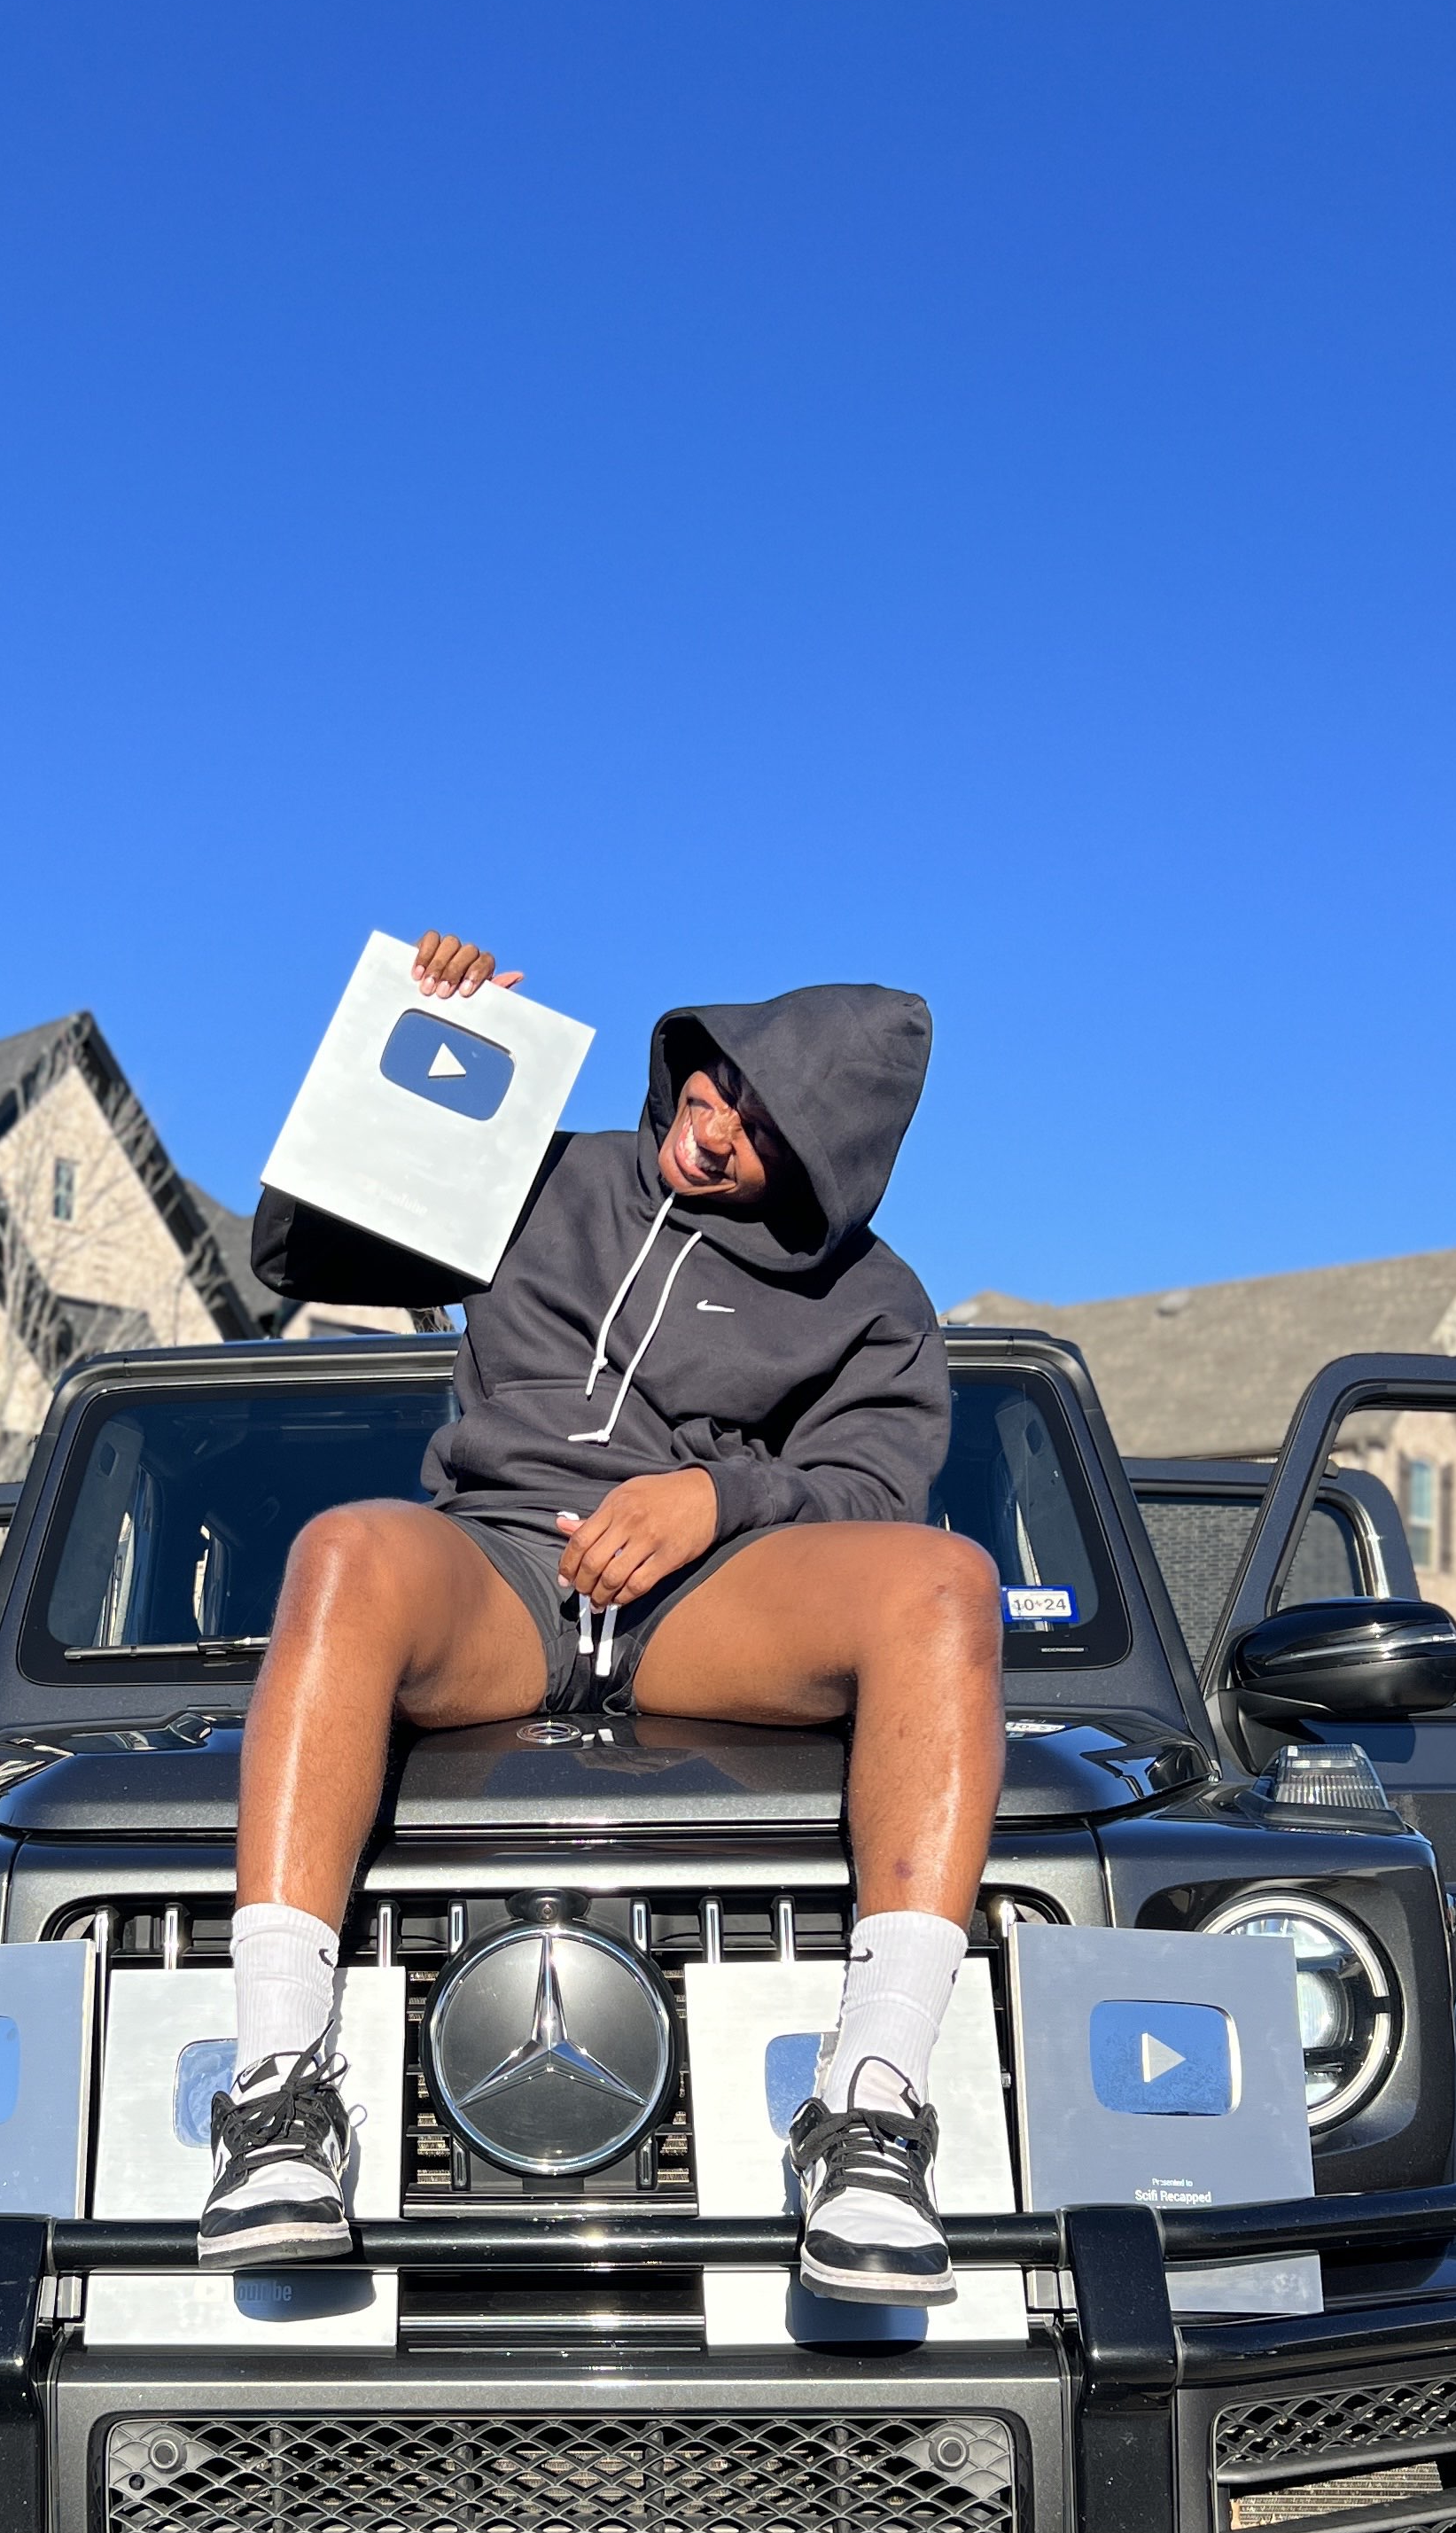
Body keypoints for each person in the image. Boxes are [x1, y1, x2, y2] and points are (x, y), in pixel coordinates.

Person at [201, 931, 1005, 2300]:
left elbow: (877, 1490)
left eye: (764, 1131)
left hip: (706, 1605)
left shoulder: (877, 1303)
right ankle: (278, 2103)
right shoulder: (542, 1172)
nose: (715, 1132)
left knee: (947, 1584)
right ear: (690, 1062)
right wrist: (420, 1045)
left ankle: (869, 2113)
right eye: (714, 1090)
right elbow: (300, 1249)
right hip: (502, 1569)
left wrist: (718, 1494)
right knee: (343, 1549)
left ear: (830, 1165)